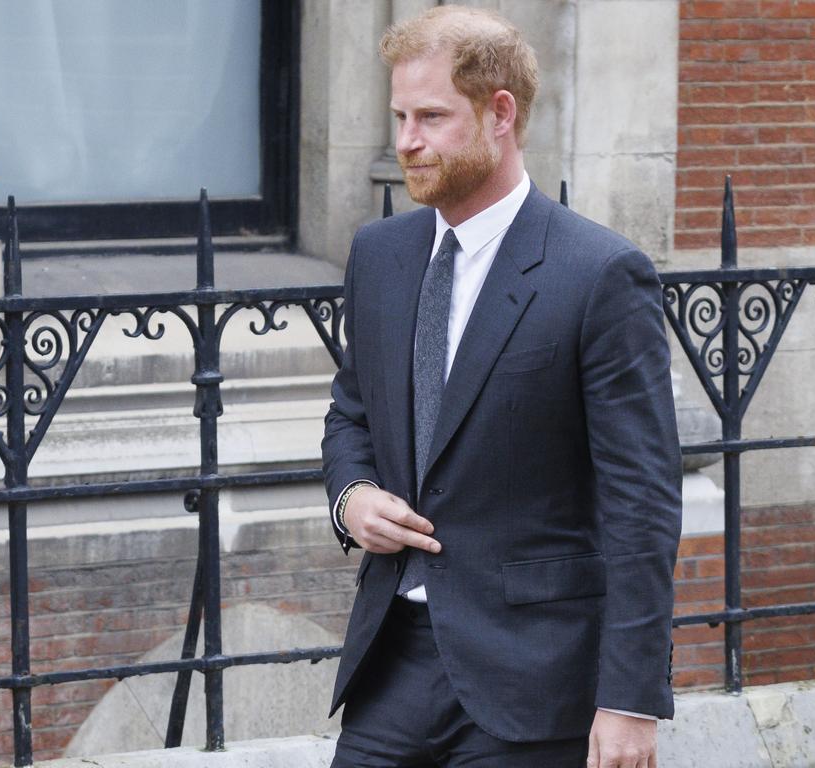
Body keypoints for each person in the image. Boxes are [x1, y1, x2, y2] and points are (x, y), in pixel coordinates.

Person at [321, 6, 682, 767]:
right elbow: (350, 412)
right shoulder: (379, 255)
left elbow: (641, 503)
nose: (407, 140)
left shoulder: (599, 275)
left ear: (500, 114)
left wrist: (629, 700)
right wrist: (351, 497)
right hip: (391, 665)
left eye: (431, 116)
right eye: (399, 116)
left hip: (533, 679)